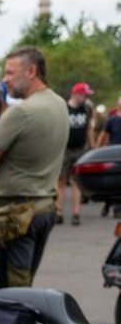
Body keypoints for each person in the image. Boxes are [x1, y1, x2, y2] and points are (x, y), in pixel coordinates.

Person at [0, 46, 69, 287]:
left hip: (16, 214)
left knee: (11, 292)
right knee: (26, 285)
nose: (5, 79)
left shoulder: (22, 112)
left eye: (11, 73)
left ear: (32, 71)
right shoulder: (59, 104)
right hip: (45, 207)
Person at [56, 83, 95, 226]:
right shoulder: (64, 108)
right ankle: (59, 212)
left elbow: (89, 128)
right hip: (64, 149)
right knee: (60, 181)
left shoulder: (86, 109)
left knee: (76, 182)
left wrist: (92, 146)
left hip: (79, 148)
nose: (86, 98)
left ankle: (76, 212)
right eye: (84, 94)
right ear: (76, 94)